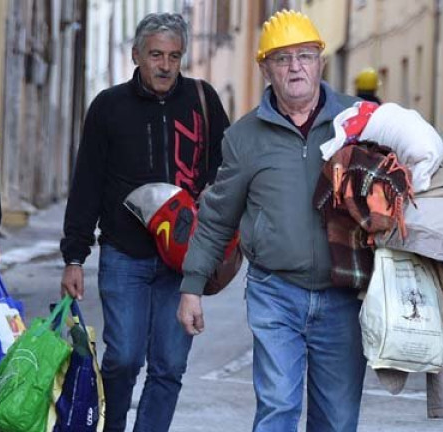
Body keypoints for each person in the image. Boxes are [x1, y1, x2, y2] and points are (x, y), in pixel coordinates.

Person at [177, 10, 366, 432]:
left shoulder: (358, 122)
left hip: (344, 298)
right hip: (275, 292)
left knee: (336, 420)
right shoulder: (244, 138)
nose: (295, 67)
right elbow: (216, 218)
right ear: (265, 68)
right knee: (278, 407)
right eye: (282, 59)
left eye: (304, 55)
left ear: (320, 60)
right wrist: (192, 287)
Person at [60, 13, 230, 432]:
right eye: (156, 55)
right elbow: (87, 183)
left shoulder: (202, 99)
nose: (166, 65)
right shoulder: (109, 106)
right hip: (124, 254)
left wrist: (213, 192)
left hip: (185, 261)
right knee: (123, 359)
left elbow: (228, 168)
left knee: (169, 367)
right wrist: (74, 256)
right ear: (137, 55)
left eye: (174, 56)